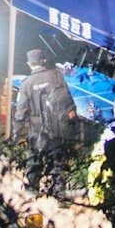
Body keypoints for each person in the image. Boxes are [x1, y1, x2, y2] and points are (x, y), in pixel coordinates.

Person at [14, 48, 78, 192]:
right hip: (58, 126)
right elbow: (67, 99)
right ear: (44, 60)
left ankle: (32, 189)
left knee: (34, 158)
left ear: (29, 63)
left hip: (37, 128)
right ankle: (59, 190)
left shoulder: (26, 83)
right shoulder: (56, 75)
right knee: (58, 159)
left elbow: (21, 110)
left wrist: (16, 132)